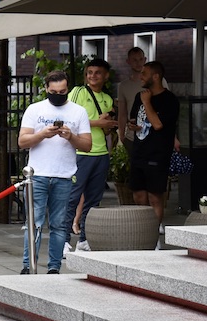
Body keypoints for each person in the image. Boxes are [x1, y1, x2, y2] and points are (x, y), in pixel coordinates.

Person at [18, 70, 92, 275]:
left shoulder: (78, 112)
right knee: (34, 223)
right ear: (46, 89)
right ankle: (28, 265)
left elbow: (87, 145)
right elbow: (22, 141)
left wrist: (70, 136)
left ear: (68, 89)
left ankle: (54, 267)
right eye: (53, 91)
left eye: (62, 91)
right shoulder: (35, 109)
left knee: (60, 225)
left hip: (64, 176)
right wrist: (42, 134)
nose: (58, 95)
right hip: (37, 175)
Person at [66, 58, 116, 253]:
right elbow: (70, 121)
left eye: (97, 73)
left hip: (101, 152)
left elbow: (105, 132)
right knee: (72, 197)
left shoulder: (108, 99)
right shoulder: (78, 92)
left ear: (106, 76)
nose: (93, 76)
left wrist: (108, 125)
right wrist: (98, 122)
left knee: (94, 200)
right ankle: (64, 239)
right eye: (90, 72)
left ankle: (85, 240)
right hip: (80, 152)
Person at [127, 61, 180, 230]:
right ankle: (143, 230)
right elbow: (136, 119)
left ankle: (154, 234)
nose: (140, 77)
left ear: (155, 76)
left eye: (144, 73)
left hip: (157, 154)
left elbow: (157, 124)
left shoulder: (169, 100)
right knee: (138, 195)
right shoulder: (139, 97)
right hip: (139, 151)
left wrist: (147, 102)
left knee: (155, 197)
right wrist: (133, 125)